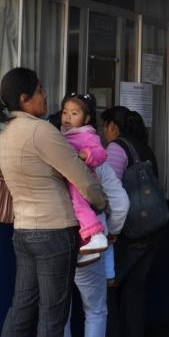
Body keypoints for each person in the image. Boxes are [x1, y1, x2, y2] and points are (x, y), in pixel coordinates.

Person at [0, 68, 108, 337]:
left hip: (23, 231)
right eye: (40, 91)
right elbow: (80, 176)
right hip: (55, 232)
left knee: (21, 310)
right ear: (25, 98)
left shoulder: (6, 133)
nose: (46, 96)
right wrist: (99, 204)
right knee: (52, 317)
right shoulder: (41, 130)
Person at [62, 130, 129, 337]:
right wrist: (112, 232)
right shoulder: (97, 162)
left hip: (56, 239)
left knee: (59, 311)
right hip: (89, 243)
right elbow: (120, 204)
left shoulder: (54, 155)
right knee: (96, 309)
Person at [102, 106, 161, 337]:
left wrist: (110, 229)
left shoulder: (117, 148)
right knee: (135, 288)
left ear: (113, 126)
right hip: (151, 228)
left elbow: (111, 191)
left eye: (104, 126)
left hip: (127, 230)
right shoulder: (144, 147)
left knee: (110, 287)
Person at [58, 92, 111, 266]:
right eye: (65, 112)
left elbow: (101, 153)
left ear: (86, 118)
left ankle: (96, 235)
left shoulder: (87, 134)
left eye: (74, 114)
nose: (68, 117)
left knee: (79, 207)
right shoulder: (64, 133)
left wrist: (85, 154)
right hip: (72, 179)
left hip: (80, 181)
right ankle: (88, 246)